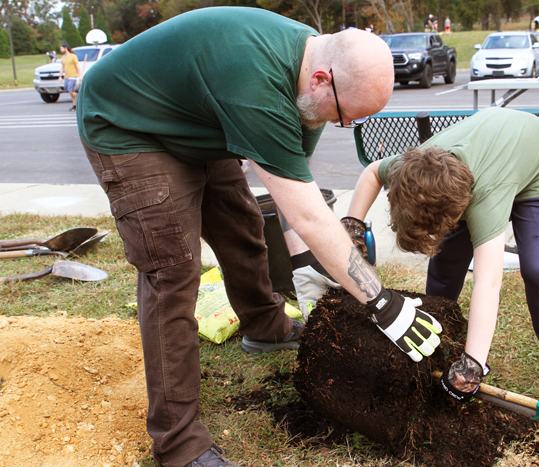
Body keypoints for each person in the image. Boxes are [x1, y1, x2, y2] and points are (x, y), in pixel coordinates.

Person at [77, 7, 443, 467]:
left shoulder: (309, 79)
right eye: (345, 116)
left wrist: (309, 261)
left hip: (197, 122)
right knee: (173, 271)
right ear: (320, 81)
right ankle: (178, 443)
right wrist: (381, 301)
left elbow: (296, 194)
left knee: (243, 226)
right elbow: (311, 217)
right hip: (129, 125)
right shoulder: (257, 85)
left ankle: (265, 328)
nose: (338, 125)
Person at [345, 107, 539, 408]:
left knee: (538, 269)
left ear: (458, 211)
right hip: (486, 157)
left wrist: (473, 365)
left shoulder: (484, 202)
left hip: (535, 165)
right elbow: (373, 172)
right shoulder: (411, 169)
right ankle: (437, 342)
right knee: (444, 267)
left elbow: (488, 283)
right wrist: (352, 230)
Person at [60, 44, 80, 111]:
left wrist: (79, 75)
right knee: (69, 90)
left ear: (65, 48)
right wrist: (60, 76)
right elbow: (62, 67)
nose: (60, 50)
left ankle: (79, 98)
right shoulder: (63, 57)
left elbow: (77, 65)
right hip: (66, 76)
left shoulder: (73, 56)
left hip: (73, 76)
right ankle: (74, 105)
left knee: (70, 90)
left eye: (61, 48)